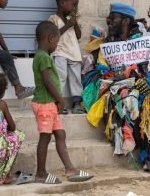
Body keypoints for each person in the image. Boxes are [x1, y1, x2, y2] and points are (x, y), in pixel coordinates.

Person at [31, 21, 93, 184]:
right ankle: (41, 173)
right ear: (51, 38)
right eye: (57, 41)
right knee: (45, 138)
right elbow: (47, 81)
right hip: (45, 104)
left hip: (50, 104)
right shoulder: (42, 57)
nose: (57, 45)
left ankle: (70, 169)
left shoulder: (43, 56)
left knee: (60, 134)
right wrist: (60, 99)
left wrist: (56, 101)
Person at [48, 0, 84, 114]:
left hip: (73, 53)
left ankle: (77, 103)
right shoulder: (53, 19)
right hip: (60, 52)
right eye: (73, 5)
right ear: (62, 3)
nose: (75, 8)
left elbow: (78, 35)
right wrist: (67, 25)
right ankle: (58, 102)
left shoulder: (71, 18)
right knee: (59, 77)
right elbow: (53, 36)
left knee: (76, 78)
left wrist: (74, 24)